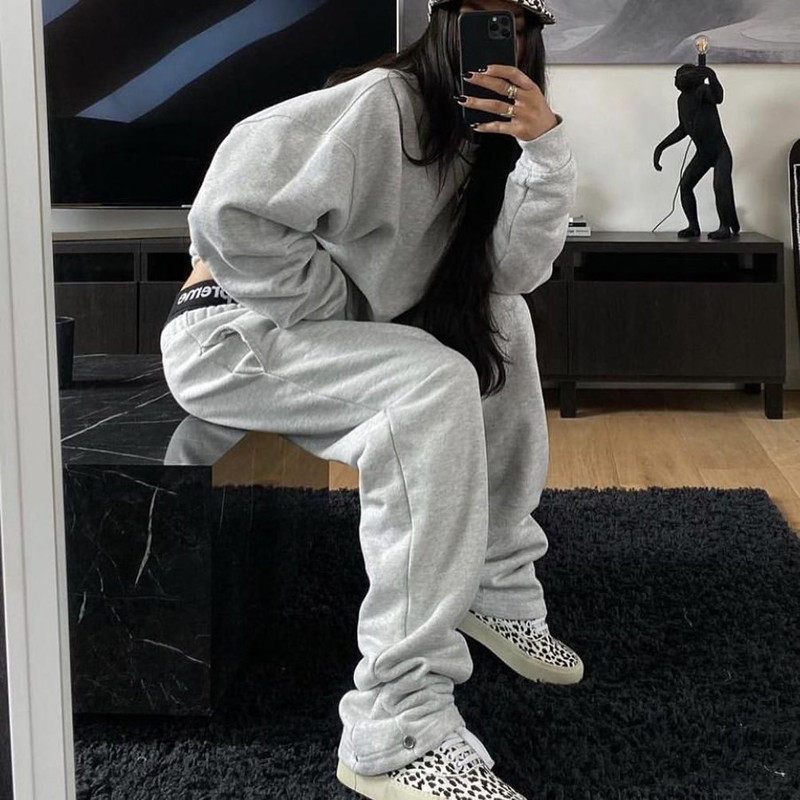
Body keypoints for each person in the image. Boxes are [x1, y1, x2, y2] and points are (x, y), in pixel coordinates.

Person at [160, 0, 580, 797]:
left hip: (316, 331)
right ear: (442, 21)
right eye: (478, 16)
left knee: (503, 320)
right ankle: (396, 727)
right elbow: (227, 209)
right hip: (234, 333)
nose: (499, 39)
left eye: (518, 21)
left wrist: (544, 151)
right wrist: (344, 305)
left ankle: (493, 581)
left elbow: (514, 274)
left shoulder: (488, 138)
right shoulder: (381, 105)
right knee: (431, 382)